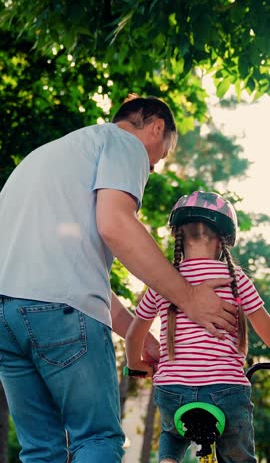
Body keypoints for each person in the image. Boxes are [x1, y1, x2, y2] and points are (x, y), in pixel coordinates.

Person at [0, 94, 237, 463]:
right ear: (157, 127)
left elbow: (64, 270)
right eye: (162, 154)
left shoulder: (47, 156)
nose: (154, 166)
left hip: (5, 317)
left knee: (41, 449)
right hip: (60, 312)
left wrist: (134, 333)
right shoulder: (124, 143)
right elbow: (115, 224)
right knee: (95, 439)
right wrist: (189, 297)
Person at [125, 190, 270, 463]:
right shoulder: (234, 279)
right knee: (238, 453)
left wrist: (136, 365)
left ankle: (168, 459)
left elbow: (134, 335)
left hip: (173, 389)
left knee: (172, 434)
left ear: (178, 238)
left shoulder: (164, 282)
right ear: (223, 241)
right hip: (226, 389)